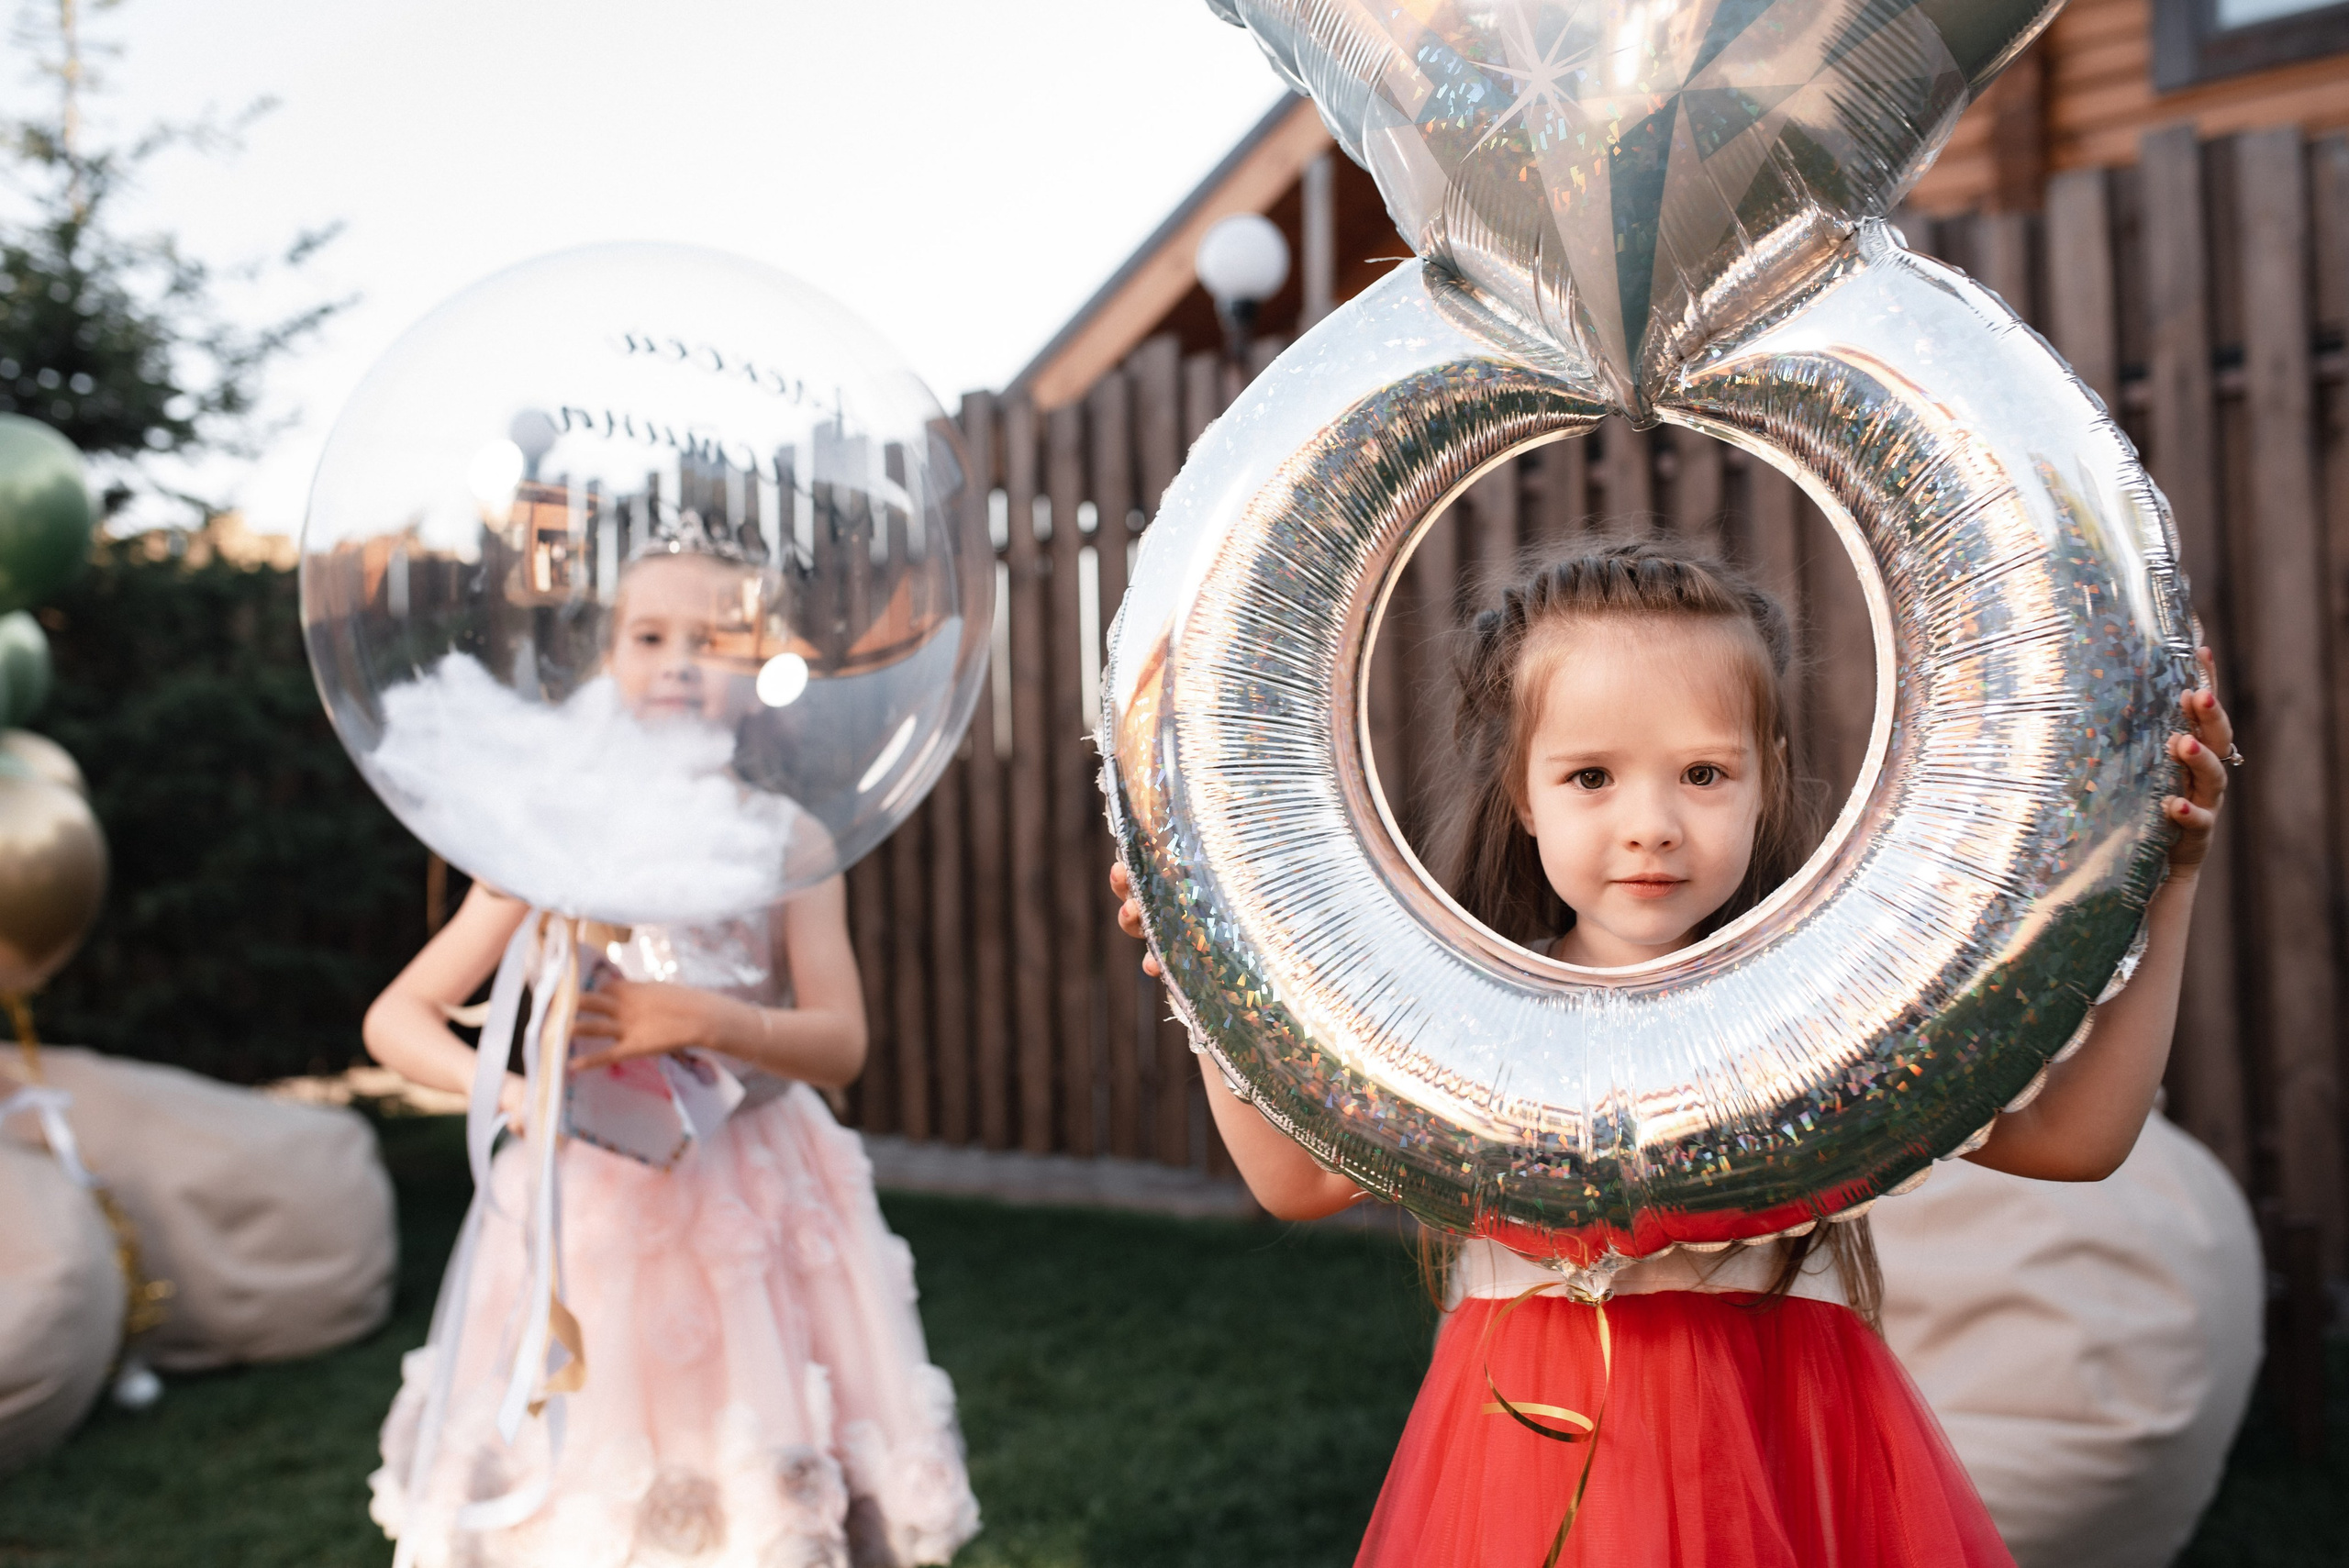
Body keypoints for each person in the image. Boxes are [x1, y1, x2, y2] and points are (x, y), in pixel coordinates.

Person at [1112, 539, 2234, 1567]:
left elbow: (2075, 1143)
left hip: (1786, 1454)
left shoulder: (1829, 1003)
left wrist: (2172, 881)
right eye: (1590, 776)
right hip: (1535, 1468)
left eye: (1701, 773)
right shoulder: (1468, 1018)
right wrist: (1201, 973)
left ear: (1766, 774)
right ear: (1522, 792)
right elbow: (1297, 1179)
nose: (1650, 822)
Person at [366, 546, 981, 1568]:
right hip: (591, 1194)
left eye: (716, 641)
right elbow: (400, 1016)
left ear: (760, 671)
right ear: (606, 659)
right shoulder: (546, 831)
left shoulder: (787, 840)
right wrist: (515, 1094)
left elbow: (842, 1044)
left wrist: (701, 1016)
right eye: (650, 637)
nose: (682, 662)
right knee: (595, 1459)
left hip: (757, 1185)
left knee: (757, 1446)